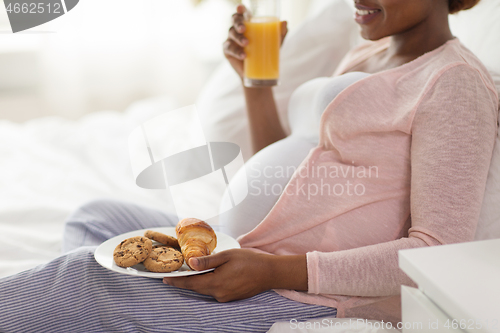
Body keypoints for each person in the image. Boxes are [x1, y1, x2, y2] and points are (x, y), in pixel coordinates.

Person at [1, 0, 498, 332]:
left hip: (298, 289)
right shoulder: (368, 51)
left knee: (77, 278)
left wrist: (270, 272)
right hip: (249, 246)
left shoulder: (454, 82)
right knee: (95, 218)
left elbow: (436, 252)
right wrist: (255, 84)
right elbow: (294, 160)